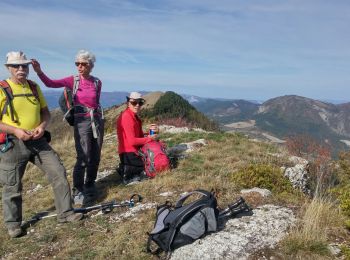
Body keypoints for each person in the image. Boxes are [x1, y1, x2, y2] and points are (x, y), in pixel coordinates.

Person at [0, 51, 83, 238]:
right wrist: (15, 131)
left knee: (58, 172)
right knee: (12, 185)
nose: (21, 69)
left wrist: (42, 126)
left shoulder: (34, 87)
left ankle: (66, 213)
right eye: (16, 66)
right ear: (9, 68)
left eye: (24, 65)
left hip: (38, 140)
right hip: (13, 143)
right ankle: (13, 225)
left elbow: (45, 112)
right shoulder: (1, 88)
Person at [31, 50, 104, 205]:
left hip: (97, 120)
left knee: (96, 155)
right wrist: (39, 72)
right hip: (82, 122)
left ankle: (90, 185)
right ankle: (78, 190)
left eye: (83, 64)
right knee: (83, 156)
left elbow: (95, 102)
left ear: (91, 65)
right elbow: (50, 83)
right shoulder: (73, 80)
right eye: (77, 63)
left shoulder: (97, 82)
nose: (80, 67)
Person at [116, 92, 158, 184]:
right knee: (152, 166)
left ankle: (126, 169)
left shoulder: (133, 116)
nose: (137, 105)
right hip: (129, 153)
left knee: (153, 161)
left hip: (133, 152)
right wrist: (150, 138)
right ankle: (127, 172)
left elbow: (138, 136)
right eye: (134, 103)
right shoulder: (127, 117)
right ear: (128, 103)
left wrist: (150, 134)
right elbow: (132, 141)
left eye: (140, 103)